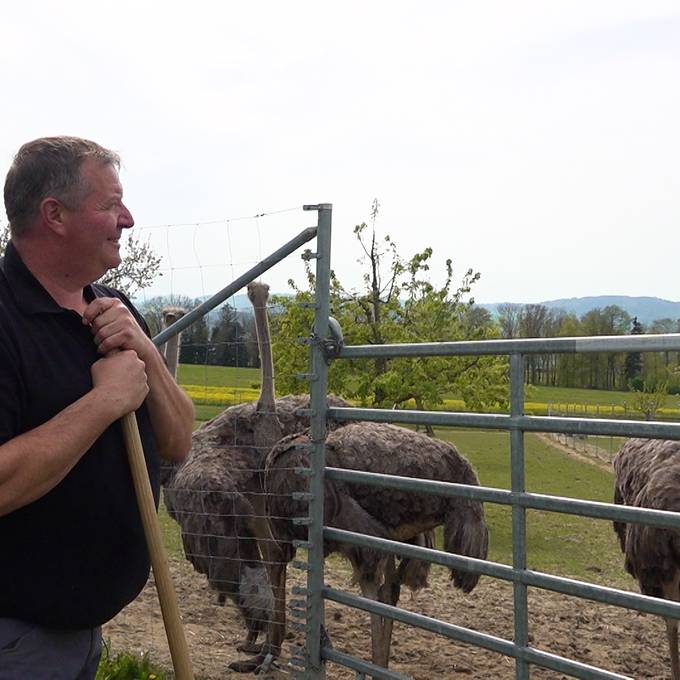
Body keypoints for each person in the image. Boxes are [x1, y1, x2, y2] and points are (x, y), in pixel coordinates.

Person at [0, 137, 194, 679]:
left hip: (81, 636)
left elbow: (178, 441)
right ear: (54, 215)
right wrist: (104, 402)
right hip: (14, 640)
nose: (127, 219)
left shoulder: (111, 308)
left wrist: (147, 355)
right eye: (110, 204)